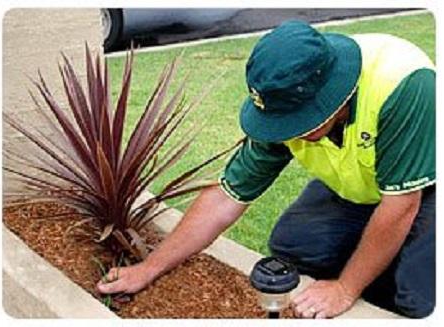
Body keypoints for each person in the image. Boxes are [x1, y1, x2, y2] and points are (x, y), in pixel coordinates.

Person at [97, 20, 435, 318]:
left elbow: (402, 205)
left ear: (329, 99)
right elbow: (224, 199)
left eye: (294, 122)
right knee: (295, 245)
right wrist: (148, 268)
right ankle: (381, 264)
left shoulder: (404, 85)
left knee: (418, 296)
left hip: (428, 185)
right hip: (361, 185)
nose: (284, 131)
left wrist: (346, 289)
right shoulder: (284, 98)